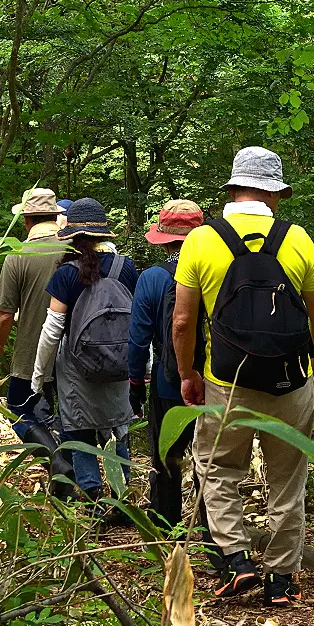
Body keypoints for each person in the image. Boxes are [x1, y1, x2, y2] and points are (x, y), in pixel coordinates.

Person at [172, 147, 314, 608]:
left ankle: (236, 558)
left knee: (218, 468)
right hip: (291, 380)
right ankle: (282, 578)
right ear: (273, 193)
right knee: (288, 480)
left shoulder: (202, 240)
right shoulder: (297, 238)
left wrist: (187, 374)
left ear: (234, 188)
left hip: (225, 380)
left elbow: (183, 321)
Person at [30, 197, 139, 516]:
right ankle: (120, 496)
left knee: (78, 427)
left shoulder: (66, 273)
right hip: (119, 362)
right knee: (118, 427)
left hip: (76, 368)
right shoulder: (126, 267)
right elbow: (135, 318)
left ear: (73, 237)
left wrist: (40, 375)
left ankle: (92, 497)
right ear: (104, 234)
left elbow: (52, 330)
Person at [127, 198, 209, 532]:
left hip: (168, 381)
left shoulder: (152, 278)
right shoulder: (217, 270)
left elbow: (137, 340)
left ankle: (165, 528)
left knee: (166, 459)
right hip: (214, 380)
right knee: (210, 460)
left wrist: (135, 382)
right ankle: (214, 533)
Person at [0, 186, 66, 438]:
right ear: (56, 217)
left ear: (26, 219)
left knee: (19, 412)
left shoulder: (18, 255)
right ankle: (69, 465)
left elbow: (5, 313)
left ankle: (54, 461)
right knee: (68, 417)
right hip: (73, 351)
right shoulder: (76, 249)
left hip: (30, 353)